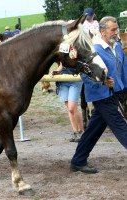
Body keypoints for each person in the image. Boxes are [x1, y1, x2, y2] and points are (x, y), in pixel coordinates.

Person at [70, 16, 127, 174]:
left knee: (94, 129)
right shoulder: (95, 49)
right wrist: (102, 82)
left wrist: (124, 88)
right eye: (113, 30)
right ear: (102, 32)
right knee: (120, 126)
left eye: (117, 29)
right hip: (101, 95)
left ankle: (78, 160)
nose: (116, 32)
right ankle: (78, 160)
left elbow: (124, 69)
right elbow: (85, 74)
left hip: (115, 93)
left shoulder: (116, 47)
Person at [50, 62, 84, 142]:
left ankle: (82, 132)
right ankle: (75, 132)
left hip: (75, 78)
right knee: (69, 108)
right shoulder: (61, 50)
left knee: (72, 108)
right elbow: (61, 65)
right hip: (63, 80)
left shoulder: (77, 50)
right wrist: (55, 71)